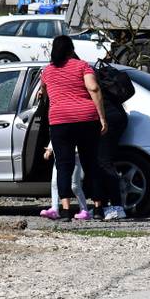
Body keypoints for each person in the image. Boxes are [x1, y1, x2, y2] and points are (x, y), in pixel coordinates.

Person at [40, 36, 107, 222]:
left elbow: (43, 93)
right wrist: (102, 117)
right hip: (86, 119)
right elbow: (93, 88)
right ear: (71, 49)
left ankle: (66, 210)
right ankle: (98, 209)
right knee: (91, 164)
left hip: (60, 121)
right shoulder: (82, 66)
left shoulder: (47, 71)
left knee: (63, 165)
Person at [90, 93, 128, 220]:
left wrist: (101, 118)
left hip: (107, 118)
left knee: (104, 162)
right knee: (103, 161)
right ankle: (105, 206)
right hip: (115, 114)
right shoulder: (97, 74)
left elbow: (94, 90)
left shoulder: (88, 74)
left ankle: (117, 207)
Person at [39, 142, 89, 220]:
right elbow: (55, 134)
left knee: (75, 185)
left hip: (74, 155)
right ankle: (54, 209)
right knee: (55, 183)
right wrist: (49, 149)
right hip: (59, 155)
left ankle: (84, 210)